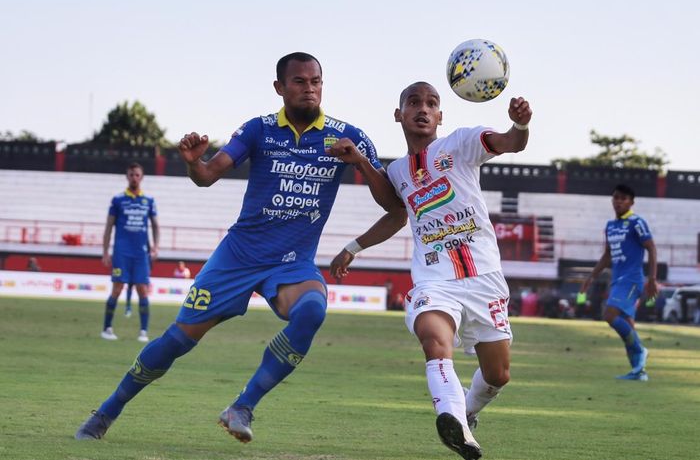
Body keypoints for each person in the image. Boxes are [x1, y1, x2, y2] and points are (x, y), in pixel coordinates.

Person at [75, 52, 402, 442]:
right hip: (238, 257)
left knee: (312, 310)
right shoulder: (258, 130)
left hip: (291, 263)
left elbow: (392, 204)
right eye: (299, 81)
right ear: (280, 88)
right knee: (176, 342)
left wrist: (361, 162)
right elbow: (208, 175)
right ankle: (106, 413)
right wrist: (195, 163)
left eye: (316, 80)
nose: (309, 88)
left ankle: (243, 406)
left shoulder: (347, 136)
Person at [329, 82, 532, 460]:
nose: (423, 109)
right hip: (435, 279)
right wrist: (353, 245)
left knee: (498, 374)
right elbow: (396, 210)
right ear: (399, 114)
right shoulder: (397, 171)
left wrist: (519, 126)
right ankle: (451, 420)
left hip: (484, 279)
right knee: (434, 341)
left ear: (441, 116)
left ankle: (466, 413)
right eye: (414, 102)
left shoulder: (460, 144)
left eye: (432, 103)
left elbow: (510, 143)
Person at [580, 184, 657, 381]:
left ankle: (640, 351)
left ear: (631, 202)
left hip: (631, 280)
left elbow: (652, 248)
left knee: (609, 314)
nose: (619, 201)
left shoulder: (636, 222)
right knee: (628, 324)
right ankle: (638, 371)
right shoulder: (610, 226)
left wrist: (652, 279)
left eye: (623, 198)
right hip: (617, 280)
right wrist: (591, 277)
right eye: (616, 198)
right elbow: (607, 256)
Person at [99, 162, 159, 342]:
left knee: (142, 290)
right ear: (127, 177)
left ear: (142, 177)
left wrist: (155, 246)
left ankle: (143, 332)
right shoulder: (117, 200)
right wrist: (105, 251)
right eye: (131, 174)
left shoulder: (148, 201)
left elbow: (155, 225)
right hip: (121, 253)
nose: (134, 178)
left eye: (137, 175)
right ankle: (107, 329)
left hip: (141, 253)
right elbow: (109, 226)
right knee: (117, 289)